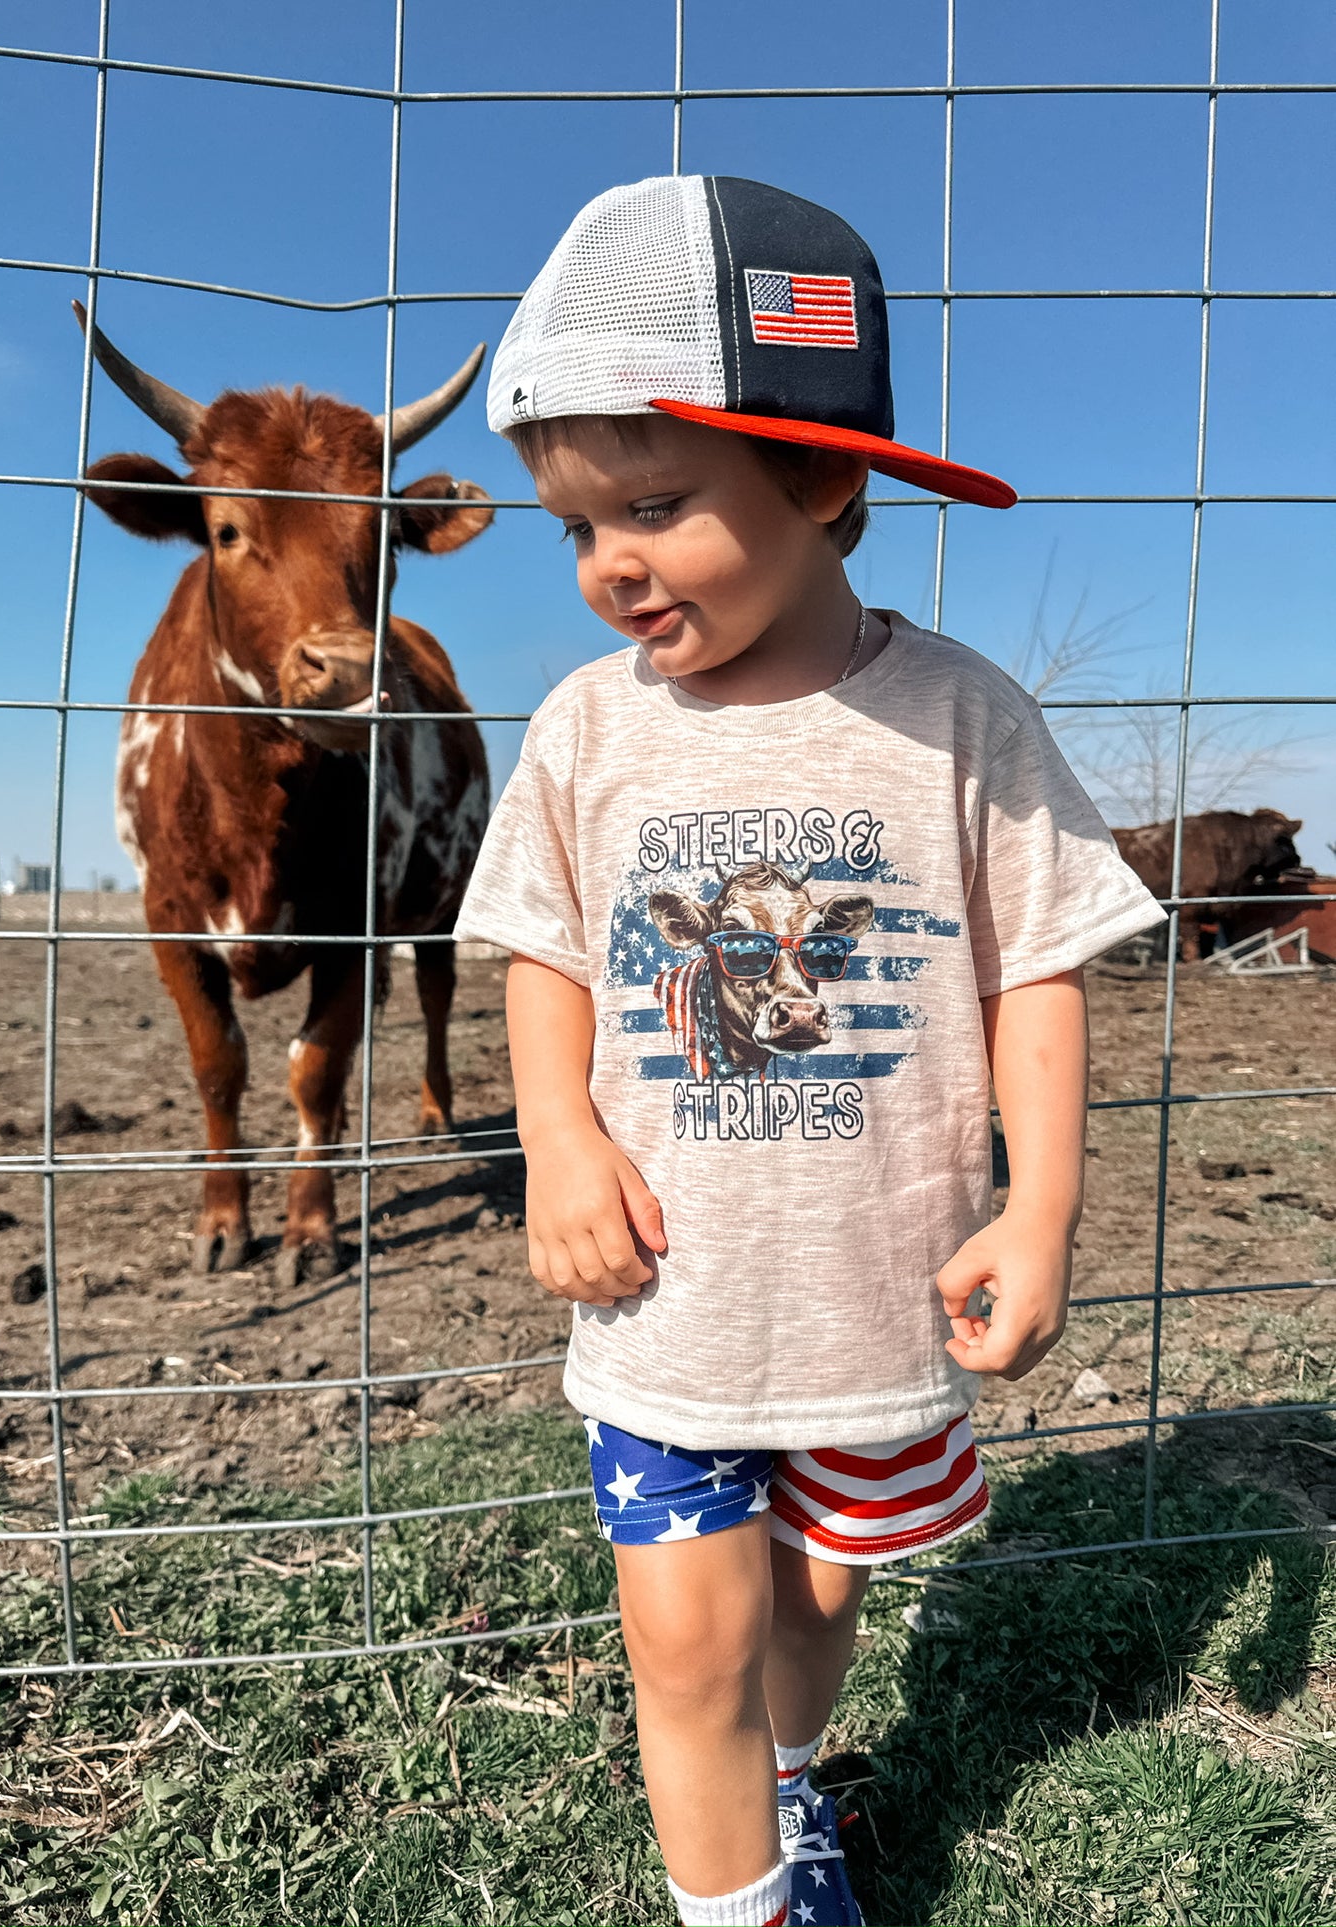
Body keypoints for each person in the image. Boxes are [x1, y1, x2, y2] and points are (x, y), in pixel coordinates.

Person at [453, 175, 1164, 1927]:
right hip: (669, 1298)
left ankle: (789, 1788)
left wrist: (1040, 1209)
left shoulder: (959, 717)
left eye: (658, 503)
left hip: (872, 1295)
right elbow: (541, 947)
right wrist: (557, 1139)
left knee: (814, 1605)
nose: (608, 563)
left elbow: (1038, 978)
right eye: (572, 527)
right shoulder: (584, 731)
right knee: (685, 1643)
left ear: (825, 480)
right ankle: (740, 1909)